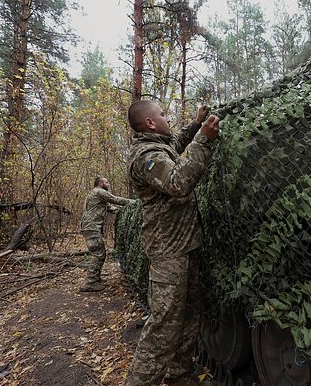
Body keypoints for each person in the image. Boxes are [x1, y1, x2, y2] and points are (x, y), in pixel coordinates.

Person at [124, 100, 219, 386]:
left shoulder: (159, 146)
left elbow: (175, 145)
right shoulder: (145, 156)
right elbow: (178, 183)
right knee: (163, 328)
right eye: (162, 114)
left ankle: (179, 377)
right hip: (168, 253)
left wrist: (195, 125)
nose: (167, 118)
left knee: (189, 319)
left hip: (185, 246)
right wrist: (204, 139)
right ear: (151, 123)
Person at [79, 176, 132, 292]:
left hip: (90, 226)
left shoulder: (95, 195)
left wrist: (121, 212)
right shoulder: (99, 191)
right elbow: (115, 199)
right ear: (101, 183)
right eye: (107, 182)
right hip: (91, 227)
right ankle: (90, 282)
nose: (108, 184)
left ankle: (95, 279)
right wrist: (134, 203)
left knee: (99, 253)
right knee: (98, 254)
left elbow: (110, 207)